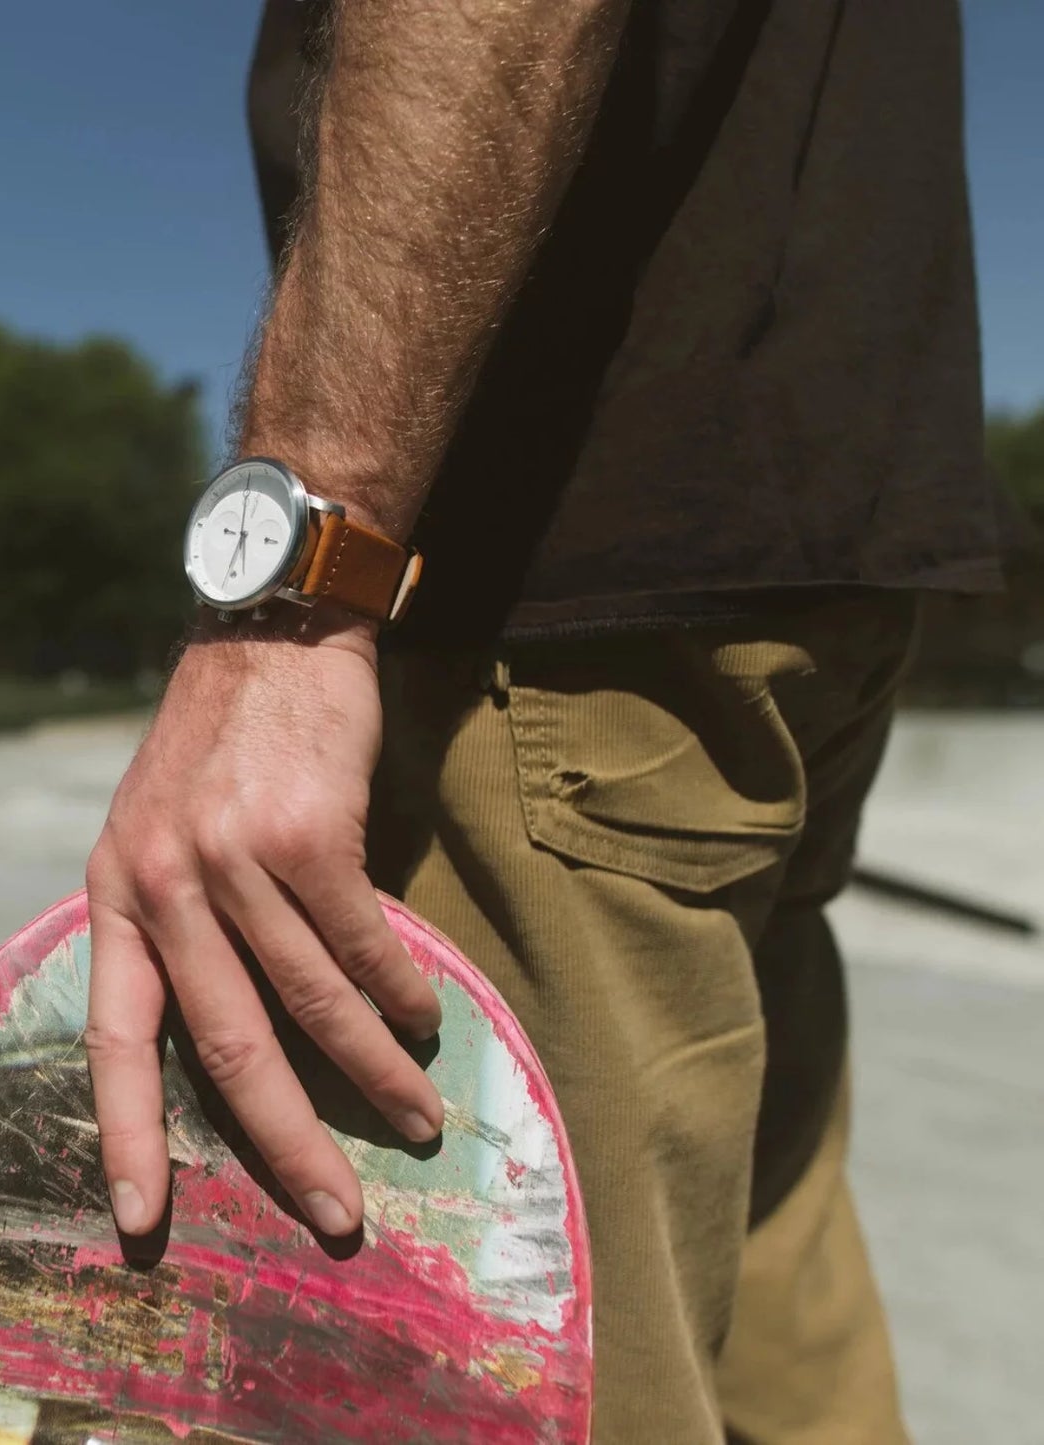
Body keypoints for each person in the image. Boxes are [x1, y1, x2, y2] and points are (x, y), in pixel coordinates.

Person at [84, 2, 1005, 1441]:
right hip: (815, 546)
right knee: (753, 1273)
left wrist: (297, 581)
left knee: (508, 1375)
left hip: (553, 598)